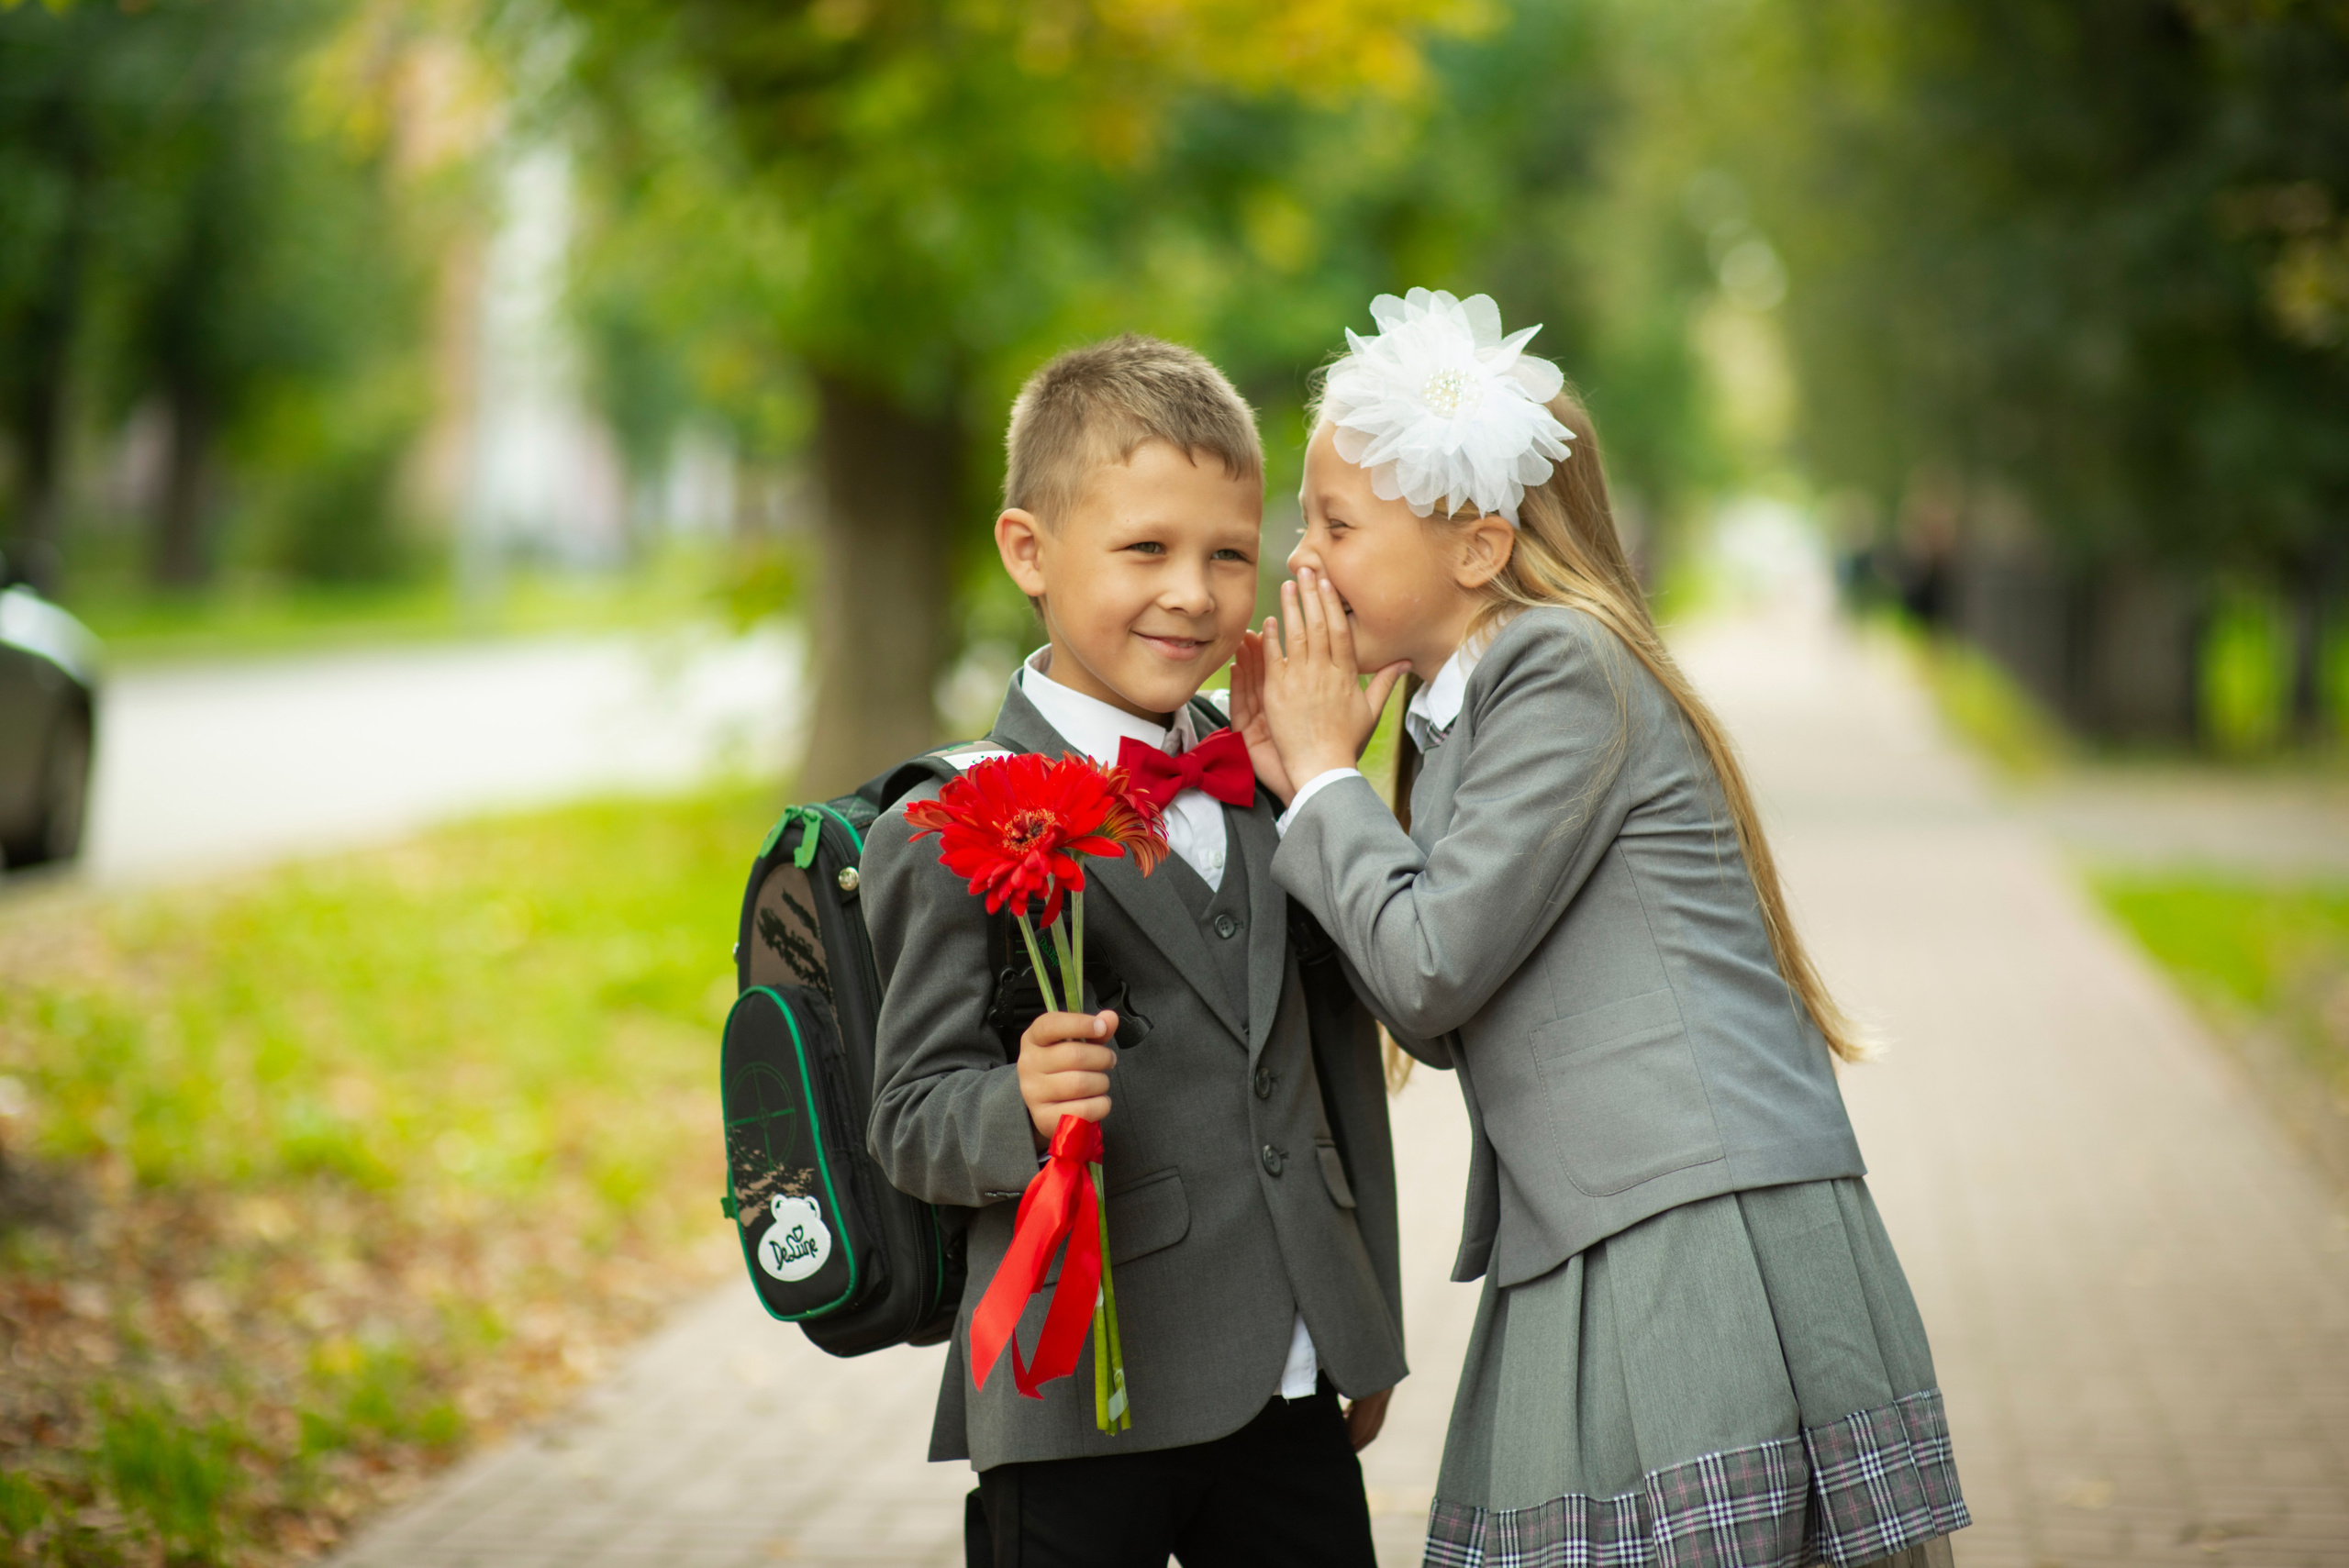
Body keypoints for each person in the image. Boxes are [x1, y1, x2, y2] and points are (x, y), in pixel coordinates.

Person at [1232, 290, 1969, 1568]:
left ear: (1479, 547)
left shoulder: (1558, 668)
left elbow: (1429, 966)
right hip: (1602, 1217)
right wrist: (1333, 782)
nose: (1303, 557)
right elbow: (1451, 1000)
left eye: (1338, 524)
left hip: (1693, 1222)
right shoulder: (1459, 710)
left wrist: (1320, 778)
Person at [862, 334, 1408, 1568]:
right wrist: (1016, 1101)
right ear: (1029, 551)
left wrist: (1365, 1312)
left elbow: (1329, 1061)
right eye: (1145, 548)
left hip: (1289, 1375)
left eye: (1228, 553)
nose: (1194, 591)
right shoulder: (943, 820)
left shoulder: (1274, 775)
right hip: (1075, 1398)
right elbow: (907, 1113)